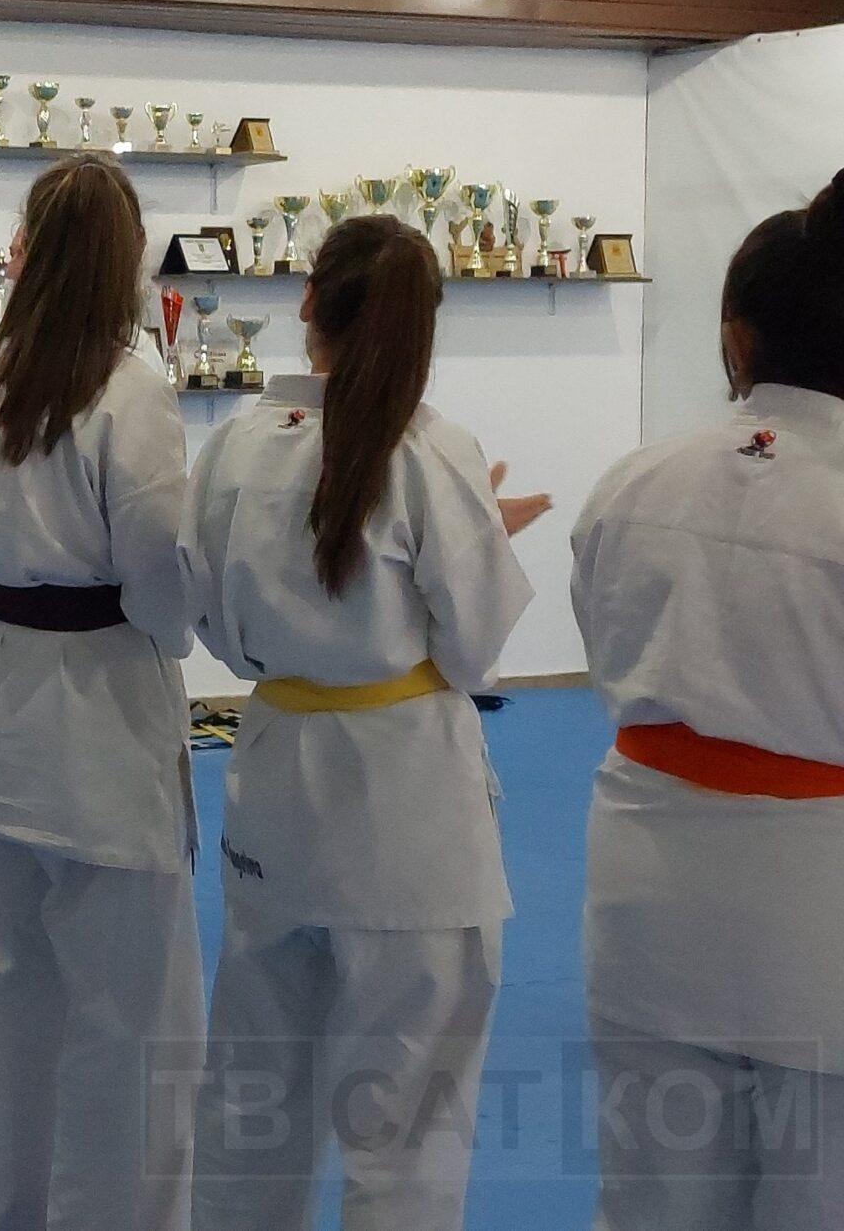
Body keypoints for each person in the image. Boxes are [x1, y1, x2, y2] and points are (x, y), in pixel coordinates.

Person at [182, 214, 551, 1230]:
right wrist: (486, 537)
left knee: (252, 1101)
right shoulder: (432, 453)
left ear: (309, 304)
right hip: (406, 799)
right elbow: (472, 648)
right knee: (407, 1124)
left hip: (275, 776)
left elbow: (208, 617)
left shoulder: (235, 446)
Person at [0, 152, 203, 1231]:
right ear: (126, 263)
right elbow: (161, 574)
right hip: (103, 716)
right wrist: (169, 633)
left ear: (25, 252)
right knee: (130, 1023)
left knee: (15, 1003)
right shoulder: (129, 389)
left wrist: (11, 607)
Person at [571, 171, 844, 1230]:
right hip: (818, 889)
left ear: (737, 338)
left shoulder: (636, 479)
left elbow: (606, 649)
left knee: (652, 1193)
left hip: (648, 872)